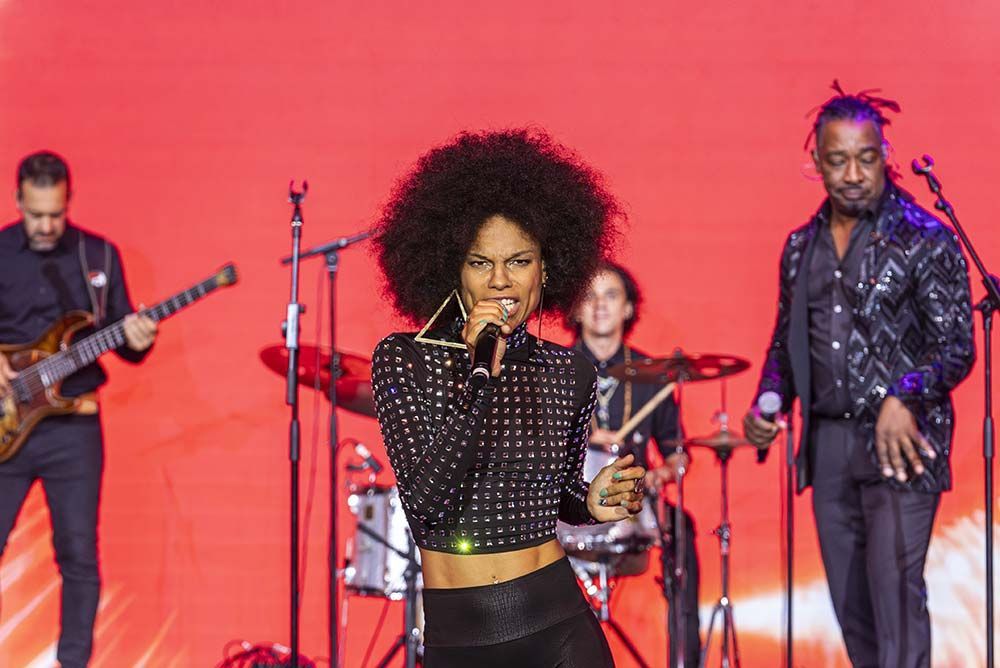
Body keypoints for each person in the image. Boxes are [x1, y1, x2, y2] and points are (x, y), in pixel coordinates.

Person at [371, 129, 643, 667]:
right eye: (480, 263)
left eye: (519, 262)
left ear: (547, 270)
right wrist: (481, 378)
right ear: (453, 269)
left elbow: (550, 495)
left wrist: (588, 503)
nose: (500, 281)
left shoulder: (570, 371)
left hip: (559, 623)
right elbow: (428, 503)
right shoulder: (404, 359)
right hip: (460, 638)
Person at [743, 83, 975, 667]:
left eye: (866, 158)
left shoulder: (925, 239)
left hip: (901, 444)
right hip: (828, 446)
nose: (853, 173)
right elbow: (784, 344)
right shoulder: (800, 247)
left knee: (896, 599)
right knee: (853, 611)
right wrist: (768, 401)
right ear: (815, 162)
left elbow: (957, 346)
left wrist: (906, 392)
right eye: (838, 159)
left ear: (885, 157)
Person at [0, 151, 158, 667]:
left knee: (78, 556)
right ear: (19, 199)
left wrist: (139, 337)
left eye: (55, 213)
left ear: (69, 200)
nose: (46, 225)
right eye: (36, 213)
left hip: (74, 427)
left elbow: (127, 344)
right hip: (6, 420)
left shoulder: (98, 256)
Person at [568, 261, 700, 668]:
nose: (600, 305)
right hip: (567, 506)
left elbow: (678, 452)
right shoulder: (554, 370)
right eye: (589, 296)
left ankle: (685, 659)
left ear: (628, 308)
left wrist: (665, 471)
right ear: (574, 309)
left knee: (682, 526)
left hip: (633, 504)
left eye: (611, 295)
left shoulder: (652, 375)